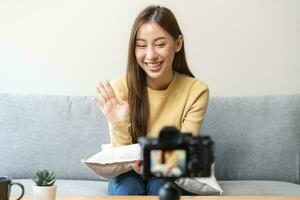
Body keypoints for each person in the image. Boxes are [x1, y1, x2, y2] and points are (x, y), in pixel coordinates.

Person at [92, 5, 209, 195]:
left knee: (161, 187)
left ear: (178, 44)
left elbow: (181, 157)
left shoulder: (196, 91)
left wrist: (143, 157)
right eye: (141, 45)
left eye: (160, 44)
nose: (150, 55)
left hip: (170, 174)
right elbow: (121, 160)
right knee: (127, 189)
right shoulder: (121, 87)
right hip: (129, 173)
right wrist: (118, 122)